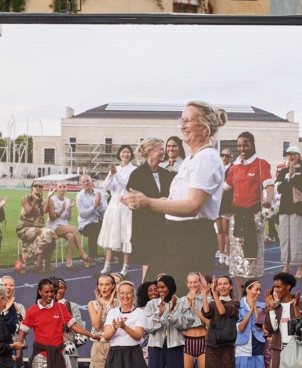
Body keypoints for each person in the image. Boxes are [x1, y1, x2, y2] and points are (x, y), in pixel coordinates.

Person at [125, 101, 227, 278]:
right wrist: (153, 201)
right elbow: (178, 200)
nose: (183, 126)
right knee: (154, 293)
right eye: (182, 121)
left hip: (192, 239)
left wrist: (148, 202)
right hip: (175, 236)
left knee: (178, 299)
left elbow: (193, 206)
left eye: (188, 120)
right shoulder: (191, 159)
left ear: (205, 128)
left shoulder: (206, 158)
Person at [225, 132, 274, 291]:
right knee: (237, 262)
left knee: (251, 260)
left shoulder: (261, 164)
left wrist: (269, 197)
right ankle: (241, 300)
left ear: (252, 144)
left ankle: (252, 300)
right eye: (239, 145)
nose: (242, 148)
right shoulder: (234, 167)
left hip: (253, 218)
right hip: (236, 218)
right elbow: (224, 189)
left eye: (245, 144)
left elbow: (269, 185)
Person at [127, 138, 174, 280]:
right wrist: (157, 202)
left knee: (163, 268)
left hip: (164, 228)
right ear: (150, 151)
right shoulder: (137, 174)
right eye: (160, 149)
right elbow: (135, 202)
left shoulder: (166, 174)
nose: (163, 151)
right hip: (146, 229)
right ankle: (145, 298)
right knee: (148, 268)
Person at [97, 145, 135, 278]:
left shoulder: (134, 170)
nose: (125, 155)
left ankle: (125, 269)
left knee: (126, 236)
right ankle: (106, 267)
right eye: (123, 152)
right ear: (119, 154)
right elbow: (107, 186)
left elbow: (128, 186)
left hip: (125, 206)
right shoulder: (115, 169)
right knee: (110, 236)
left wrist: (116, 174)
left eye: (128, 152)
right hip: (113, 206)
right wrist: (111, 174)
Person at [275, 147, 302, 279]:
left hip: (298, 208)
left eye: (292, 155)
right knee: (285, 237)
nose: (290, 157)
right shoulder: (284, 171)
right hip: (285, 207)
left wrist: (293, 177)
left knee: (298, 238)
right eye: (288, 155)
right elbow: (279, 188)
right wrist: (289, 177)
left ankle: (300, 267)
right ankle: (286, 264)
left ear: (298, 156)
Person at [47, 181, 92, 271]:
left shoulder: (67, 200)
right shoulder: (52, 200)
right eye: (60, 187)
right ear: (57, 188)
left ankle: (68, 264)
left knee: (71, 236)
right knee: (74, 228)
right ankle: (82, 253)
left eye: (64, 187)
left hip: (64, 226)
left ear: (66, 189)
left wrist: (69, 208)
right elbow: (52, 218)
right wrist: (62, 209)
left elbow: (68, 219)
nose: (62, 189)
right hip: (53, 226)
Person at [16, 181, 57, 274]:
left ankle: (46, 265)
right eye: (35, 186)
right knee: (45, 233)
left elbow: (45, 211)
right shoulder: (25, 199)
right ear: (32, 187)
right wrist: (34, 201)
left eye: (40, 186)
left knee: (51, 237)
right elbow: (30, 212)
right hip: (24, 229)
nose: (38, 187)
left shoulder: (42, 200)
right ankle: (36, 264)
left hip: (39, 229)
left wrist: (49, 197)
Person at [76, 174, 107, 266]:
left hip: (98, 222)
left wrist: (100, 204)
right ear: (81, 184)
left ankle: (110, 256)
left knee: (110, 228)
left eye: (87, 181)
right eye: (83, 182)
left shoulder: (100, 193)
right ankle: (92, 257)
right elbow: (82, 214)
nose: (86, 183)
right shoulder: (80, 196)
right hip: (85, 224)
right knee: (94, 230)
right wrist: (94, 206)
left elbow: (106, 212)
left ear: (91, 181)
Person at [215, 148, 234, 269]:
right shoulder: (218, 169)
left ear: (231, 157)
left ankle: (228, 260)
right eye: (222, 155)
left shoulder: (233, 169)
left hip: (228, 202)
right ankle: (221, 258)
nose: (224, 158)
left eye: (227, 156)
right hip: (217, 202)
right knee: (219, 230)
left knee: (226, 231)